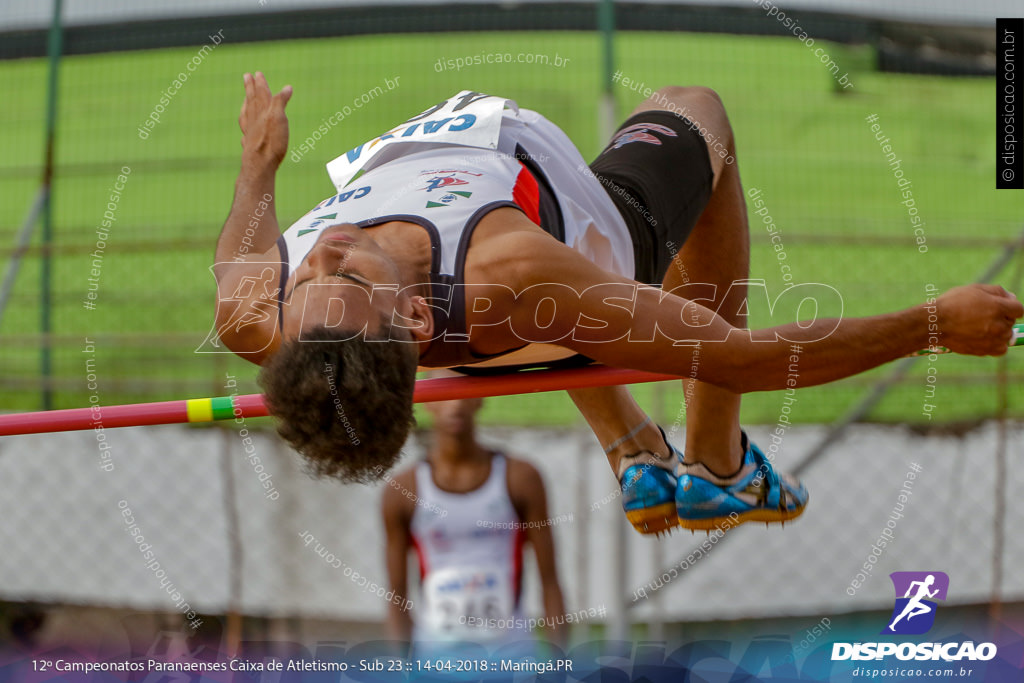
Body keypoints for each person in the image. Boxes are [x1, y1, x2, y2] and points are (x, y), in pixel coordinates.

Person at [213, 73, 1022, 537]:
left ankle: (635, 451)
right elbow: (751, 356)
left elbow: (242, 250)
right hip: (589, 241)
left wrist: (260, 162)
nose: (326, 249)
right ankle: (716, 459)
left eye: (312, 278)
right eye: (348, 276)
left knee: (554, 319)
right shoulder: (514, 270)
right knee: (698, 109)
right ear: (415, 321)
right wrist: (934, 324)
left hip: (545, 312)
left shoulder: (261, 312)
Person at [381, 380, 566, 654]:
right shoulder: (403, 491)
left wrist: (558, 663)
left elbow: (550, 581)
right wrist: (401, 666)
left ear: (480, 398)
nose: (454, 404)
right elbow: (397, 596)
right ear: (425, 400)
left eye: (463, 391)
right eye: (443, 392)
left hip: (511, 657)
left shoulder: (521, 478)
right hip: (436, 660)